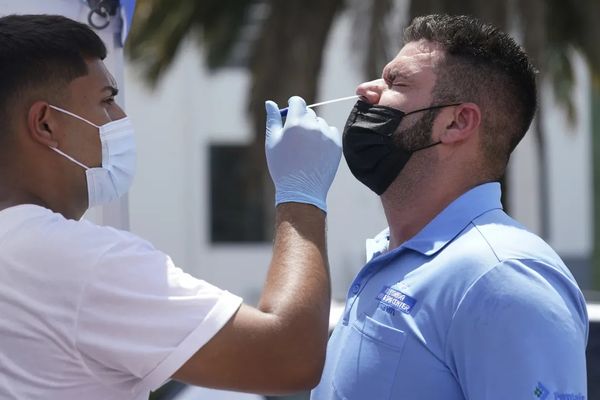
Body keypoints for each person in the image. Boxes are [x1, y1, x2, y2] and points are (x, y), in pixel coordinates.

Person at [0, 14, 342, 399]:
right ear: (45, 124)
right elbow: (287, 357)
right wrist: (301, 194)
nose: (121, 118)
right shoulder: (78, 261)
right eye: (107, 100)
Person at [311, 14, 588, 400]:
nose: (366, 90)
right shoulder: (392, 253)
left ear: (457, 122)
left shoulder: (502, 276)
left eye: (396, 82)